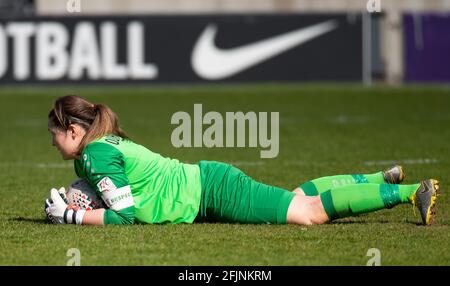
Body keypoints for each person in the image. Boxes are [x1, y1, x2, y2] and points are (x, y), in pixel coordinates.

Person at [44, 95, 440, 226]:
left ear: (75, 131)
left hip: (211, 192)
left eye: (55, 133)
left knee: (309, 213)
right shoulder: (93, 153)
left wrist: (70, 215)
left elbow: (125, 215)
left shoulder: (94, 154)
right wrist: (83, 200)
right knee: (296, 195)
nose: (53, 141)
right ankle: (376, 176)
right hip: (206, 189)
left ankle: (408, 192)